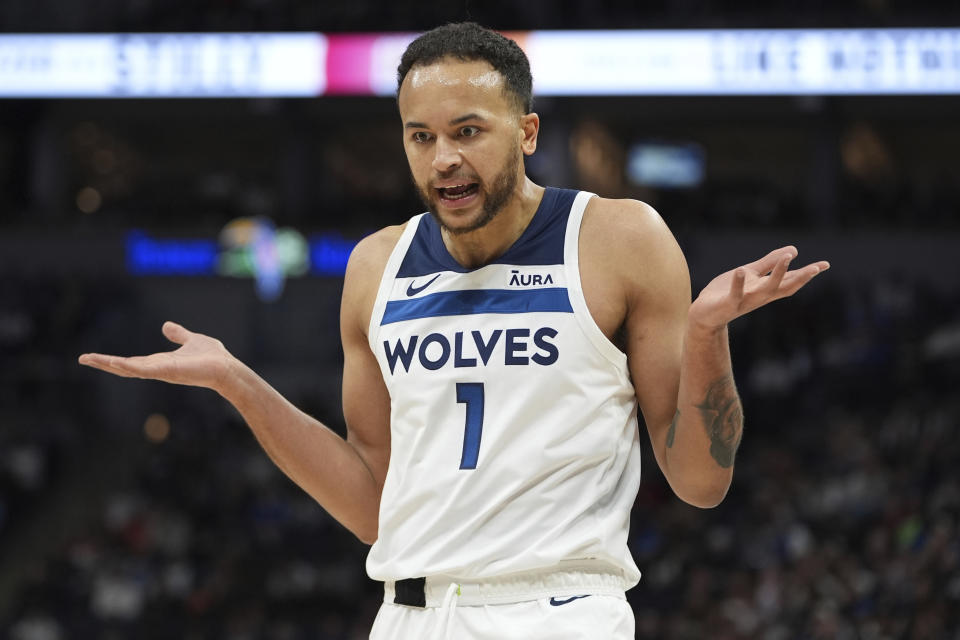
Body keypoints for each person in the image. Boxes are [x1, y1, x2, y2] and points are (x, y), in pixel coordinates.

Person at [79, 22, 829, 640]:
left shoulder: (618, 238)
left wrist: (704, 335)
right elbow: (374, 504)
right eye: (421, 137)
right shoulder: (377, 266)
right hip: (410, 614)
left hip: (559, 612)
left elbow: (701, 482)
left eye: (468, 131)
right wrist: (238, 384)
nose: (444, 160)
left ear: (528, 131)